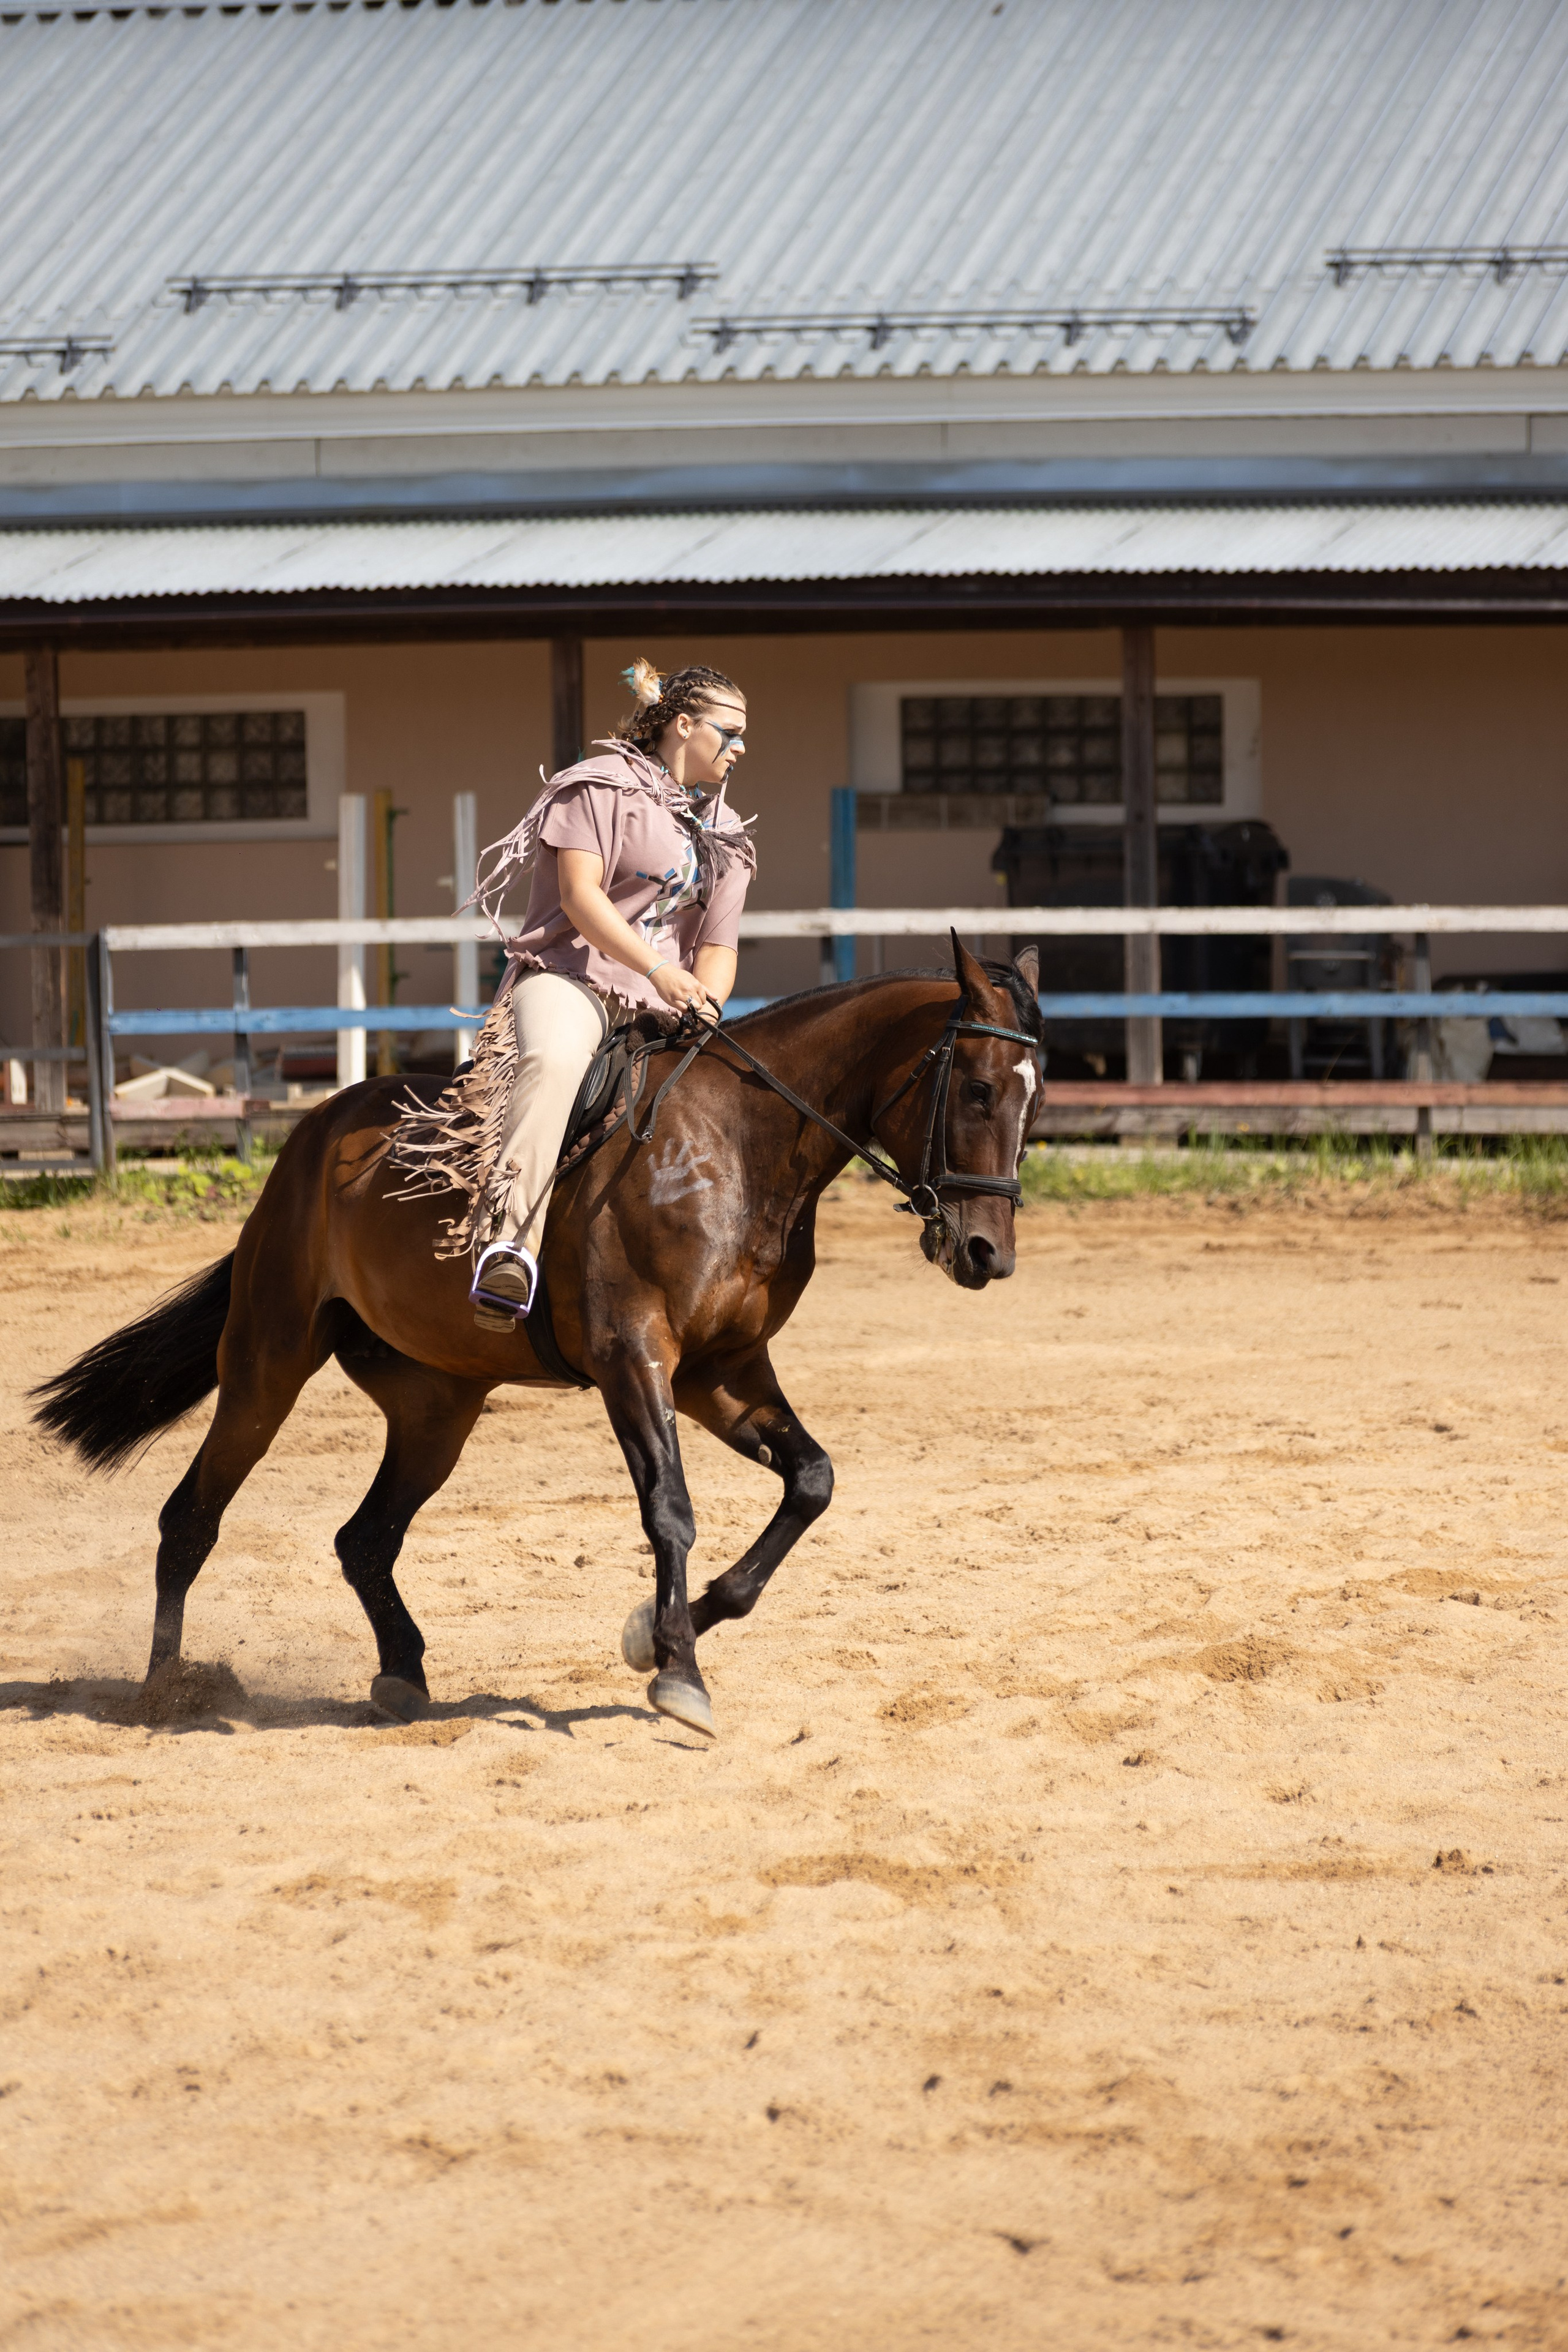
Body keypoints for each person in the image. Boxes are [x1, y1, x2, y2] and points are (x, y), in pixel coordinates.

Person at [466, 660, 755, 1327]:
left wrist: (706, 1003)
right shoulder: (596, 789)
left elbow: (717, 944)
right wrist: (657, 973)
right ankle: (507, 1245)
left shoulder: (728, 833)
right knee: (555, 1061)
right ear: (685, 726)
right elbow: (580, 897)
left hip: (673, 1001)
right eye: (730, 732)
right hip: (573, 978)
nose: (741, 747)